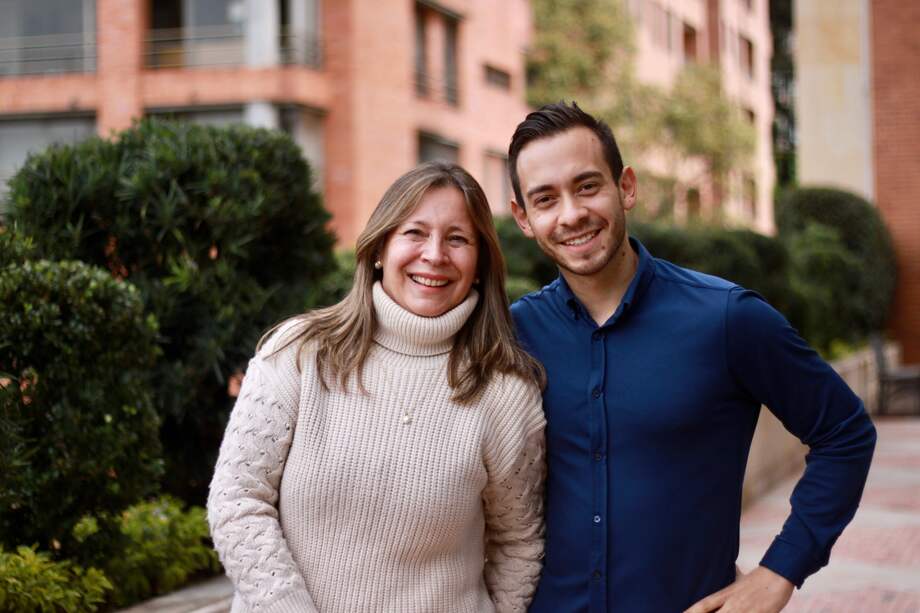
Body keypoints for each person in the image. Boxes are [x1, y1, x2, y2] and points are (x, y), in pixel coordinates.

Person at [506, 102, 876, 613]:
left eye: (588, 186)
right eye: (546, 199)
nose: (571, 214)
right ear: (523, 218)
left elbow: (845, 433)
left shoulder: (728, 319)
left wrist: (779, 572)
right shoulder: (512, 333)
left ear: (626, 188)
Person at [207, 161, 547, 613]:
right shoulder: (300, 353)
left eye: (458, 239)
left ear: (481, 263)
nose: (434, 254)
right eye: (415, 232)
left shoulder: (505, 394)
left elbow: (518, 543)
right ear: (381, 246)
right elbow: (238, 500)